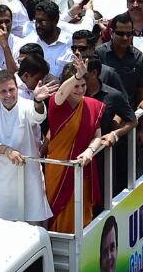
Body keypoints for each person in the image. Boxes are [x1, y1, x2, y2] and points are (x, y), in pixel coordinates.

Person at [0, 70, 51, 221]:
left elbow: (38, 116)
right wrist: (6, 151)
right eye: (3, 91)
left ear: (17, 88)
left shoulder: (28, 105)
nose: (8, 94)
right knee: (3, 223)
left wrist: (38, 101)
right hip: (2, 175)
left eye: (11, 89)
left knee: (32, 223)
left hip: (29, 173)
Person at [43, 56, 106, 233]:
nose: (80, 90)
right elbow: (62, 92)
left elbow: (97, 136)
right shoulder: (57, 104)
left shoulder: (92, 105)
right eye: (76, 86)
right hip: (59, 168)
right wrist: (78, 76)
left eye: (83, 85)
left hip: (82, 166)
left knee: (81, 215)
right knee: (58, 211)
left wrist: (89, 151)